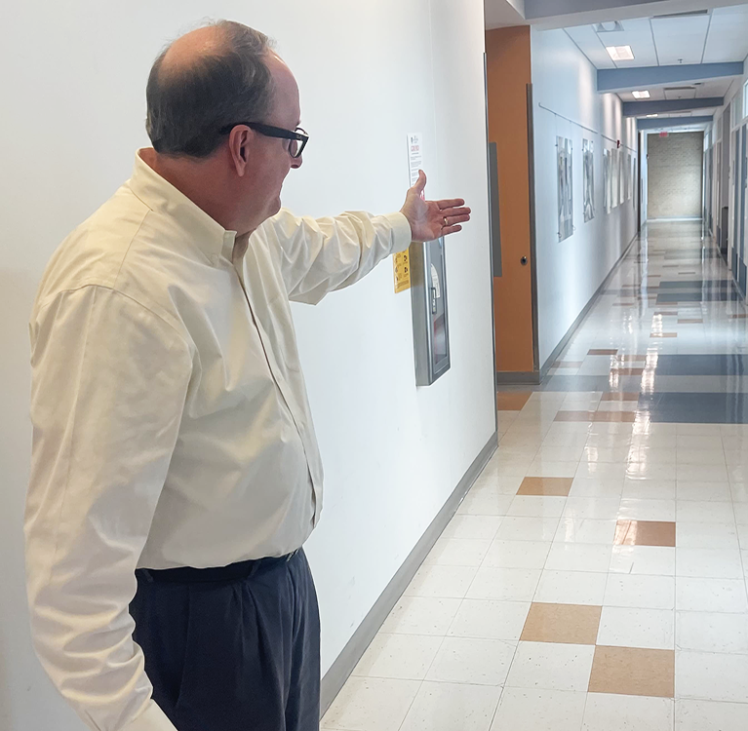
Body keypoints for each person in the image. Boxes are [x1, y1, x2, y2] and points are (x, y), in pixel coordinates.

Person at [25, 19, 471, 731]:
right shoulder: (119, 289)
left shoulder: (243, 232)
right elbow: (72, 579)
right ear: (241, 145)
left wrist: (401, 226)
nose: (297, 161)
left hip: (279, 594)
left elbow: (326, 248)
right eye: (293, 139)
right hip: (198, 633)